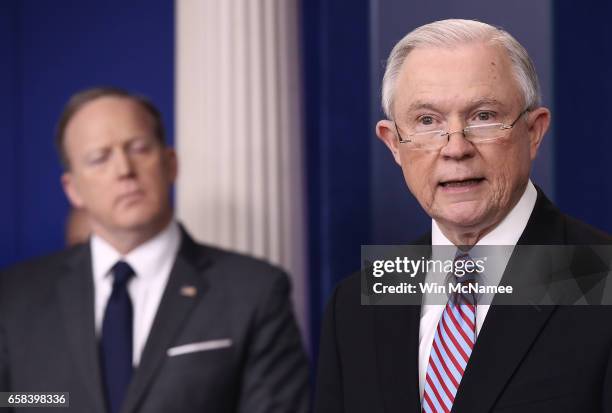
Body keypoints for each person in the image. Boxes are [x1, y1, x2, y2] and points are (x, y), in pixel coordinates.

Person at [314, 19, 612, 413]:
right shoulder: (356, 301)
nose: (456, 148)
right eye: (426, 121)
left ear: (534, 131)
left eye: (483, 116)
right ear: (393, 144)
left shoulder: (599, 275)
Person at [0, 87, 309, 413]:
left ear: (170, 163)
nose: (124, 170)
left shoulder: (254, 290)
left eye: (139, 148)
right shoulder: (15, 296)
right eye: (99, 158)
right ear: (73, 189)